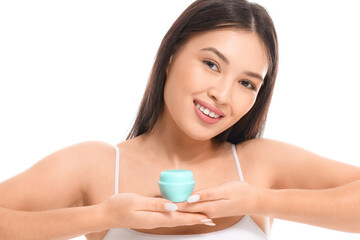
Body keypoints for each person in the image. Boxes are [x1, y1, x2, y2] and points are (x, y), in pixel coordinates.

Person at [0, 0, 359, 239]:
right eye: (211, 64)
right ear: (171, 56)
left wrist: (258, 201)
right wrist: (104, 217)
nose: (223, 94)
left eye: (247, 83)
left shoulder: (259, 163)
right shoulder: (95, 165)